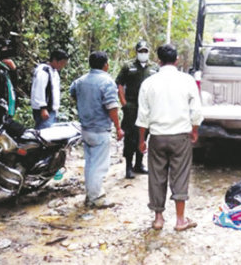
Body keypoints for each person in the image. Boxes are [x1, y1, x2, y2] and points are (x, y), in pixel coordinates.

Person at [136, 44, 203, 231]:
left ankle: (158, 218)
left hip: (157, 136)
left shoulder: (148, 83)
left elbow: (143, 116)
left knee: (156, 176)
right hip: (180, 135)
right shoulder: (187, 80)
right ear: (177, 60)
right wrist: (194, 130)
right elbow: (196, 111)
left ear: (158, 61)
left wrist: (142, 140)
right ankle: (181, 220)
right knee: (180, 175)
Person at [70, 51, 124, 209]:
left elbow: (73, 93)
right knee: (99, 165)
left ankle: (90, 195)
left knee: (90, 163)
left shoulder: (80, 81)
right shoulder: (107, 82)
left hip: (85, 128)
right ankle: (96, 198)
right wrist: (118, 128)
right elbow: (112, 107)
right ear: (106, 65)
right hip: (100, 129)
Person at [116, 41, 159, 179]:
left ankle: (139, 164)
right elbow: (120, 85)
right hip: (132, 107)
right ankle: (129, 166)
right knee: (130, 137)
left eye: (145, 51)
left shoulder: (154, 68)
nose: (143, 53)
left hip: (148, 108)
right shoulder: (128, 67)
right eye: (141, 51)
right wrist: (124, 103)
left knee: (144, 135)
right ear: (136, 52)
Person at [30, 49, 69, 129]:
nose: (62, 66)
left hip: (52, 109)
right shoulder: (43, 71)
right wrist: (43, 108)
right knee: (44, 133)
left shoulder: (54, 72)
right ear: (55, 60)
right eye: (61, 63)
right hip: (44, 109)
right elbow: (39, 89)